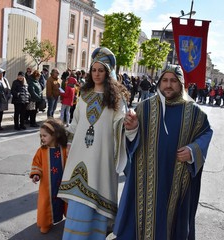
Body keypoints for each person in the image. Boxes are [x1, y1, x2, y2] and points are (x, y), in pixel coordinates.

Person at [114, 64, 213, 240]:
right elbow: (131, 138)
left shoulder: (194, 112)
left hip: (176, 179)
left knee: (171, 223)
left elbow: (206, 132)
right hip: (144, 179)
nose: (168, 85)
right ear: (159, 83)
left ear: (181, 83)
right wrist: (131, 128)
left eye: (173, 81)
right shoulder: (144, 108)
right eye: (165, 80)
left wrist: (193, 150)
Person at [58, 47, 129, 240]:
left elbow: (121, 125)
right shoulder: (84, 95)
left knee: (97, 197)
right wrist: (63, 137)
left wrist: (128, 123)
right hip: (80, 155)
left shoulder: (117, 99)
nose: (96, 74)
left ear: (108, 73)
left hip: (102, 157)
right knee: (78, 203)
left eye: (101, 70)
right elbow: (75, 123)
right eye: (94, 70)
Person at [29, 119, 68, 234]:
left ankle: (70, 220)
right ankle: (46, 223)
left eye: (44, 135)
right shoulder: (41, 151)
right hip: (47, 186)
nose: (42, 138)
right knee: (46, 204)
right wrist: (36, 174)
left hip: (63, 184)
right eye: (41, 136)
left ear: (55, 135)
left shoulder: (65, 149)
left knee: (65, 201)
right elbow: (36, 164)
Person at [0, 67, 11, 132]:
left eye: (0, 73)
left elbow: (6, 88)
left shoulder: (3, 80)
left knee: (0, 114)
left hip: (2, 99)